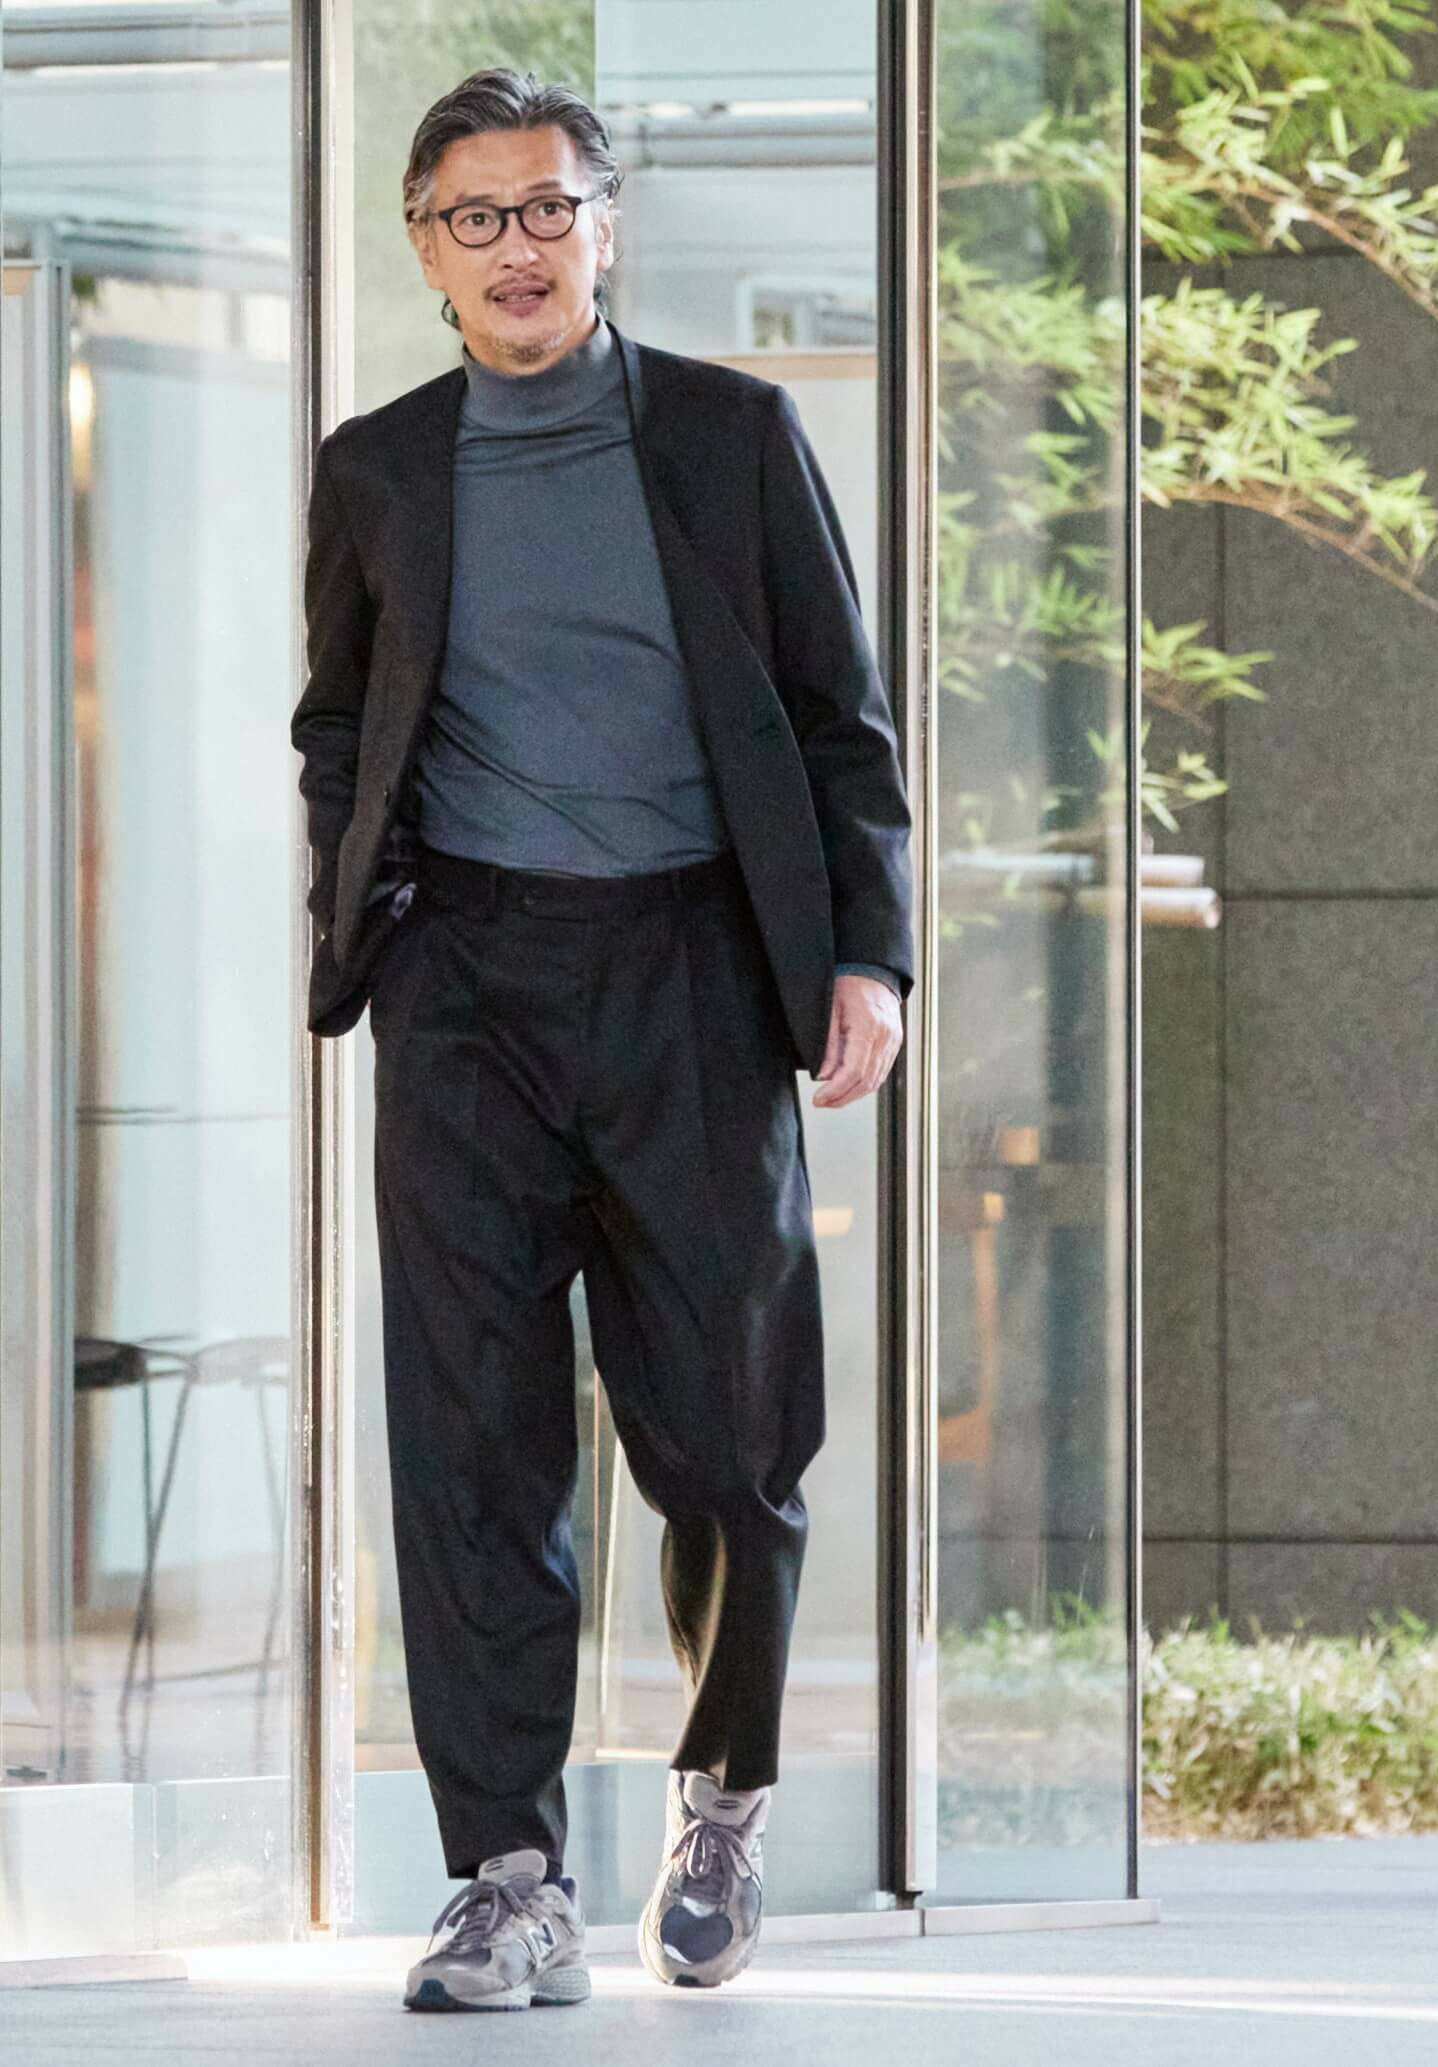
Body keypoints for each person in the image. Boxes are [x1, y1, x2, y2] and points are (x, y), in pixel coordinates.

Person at [289, 66, 914, 2012]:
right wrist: (359, 917)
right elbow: (337, 721)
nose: (517, 247)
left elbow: (840, 717)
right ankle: (509, 1876)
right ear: (426, 249)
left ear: (605, 224)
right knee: (473, 1443)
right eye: (475, 217)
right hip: (465, 983)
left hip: (693, 972)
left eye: (547, 208)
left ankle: (720, 1795)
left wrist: (869, 955)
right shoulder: (379, 468)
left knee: (729, 1435)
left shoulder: (732, 438)